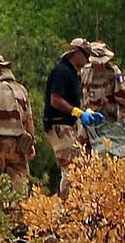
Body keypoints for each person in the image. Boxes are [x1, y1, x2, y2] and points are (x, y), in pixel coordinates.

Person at [44, 38, 103, 197]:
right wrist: (77, 113)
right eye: (86, 54)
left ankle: (72, 205)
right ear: (76, 53)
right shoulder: (62, 71)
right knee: (72, 168)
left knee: (78, 165)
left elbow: (73, 101)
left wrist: (87, 112)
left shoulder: (73, 74)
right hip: (59, 126)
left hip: (69, 126)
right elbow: (55, 99)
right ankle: (67, 207)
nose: (88, 59)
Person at [0, 55, 36, 191]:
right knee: (19, 185)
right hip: (18, 144)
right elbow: (29, 119)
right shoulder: (22, 90)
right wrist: (31, 143)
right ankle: (17, 210)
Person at [80, 41, 125, 128]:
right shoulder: (84, 72)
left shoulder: (114, 73)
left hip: (108, 120)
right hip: (88, 120)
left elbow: (124, 100)